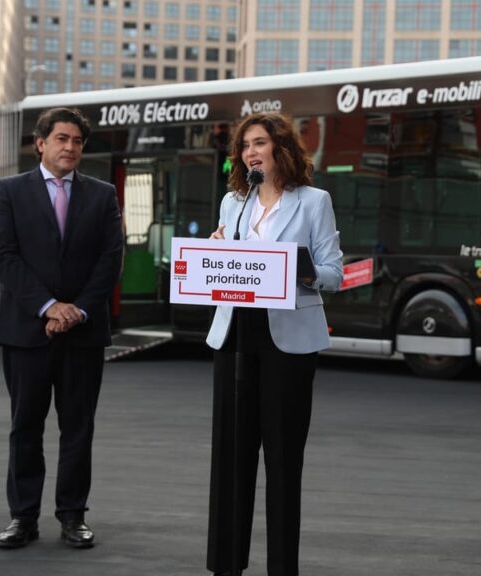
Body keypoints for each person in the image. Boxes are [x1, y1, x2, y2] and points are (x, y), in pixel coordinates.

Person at [205, 112, 343, 576]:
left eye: (258, 143)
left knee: (282, 462)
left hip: (288, 343)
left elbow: (334, 275)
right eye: (244, 146)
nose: (249, 153)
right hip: (234, 338)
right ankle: (227, 564)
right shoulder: (233, 203)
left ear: (281, 148)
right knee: (231, 460)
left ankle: (282, 568)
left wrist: (301, 269)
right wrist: (216, 252)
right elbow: (228, 264)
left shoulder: (313, 202)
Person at [0, 107, 123, 549]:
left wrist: (77, 311)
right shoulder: (9, 191)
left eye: (78, 141)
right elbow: (3, 257)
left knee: (78, 428)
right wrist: (48, 307)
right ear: (40, 143)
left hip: (83, 332)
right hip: (25, 332)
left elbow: (110, 261)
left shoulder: (103, 196)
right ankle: (22, 517)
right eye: (62, 138)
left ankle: (72, 516)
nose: (70, 147)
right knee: (24, 426)